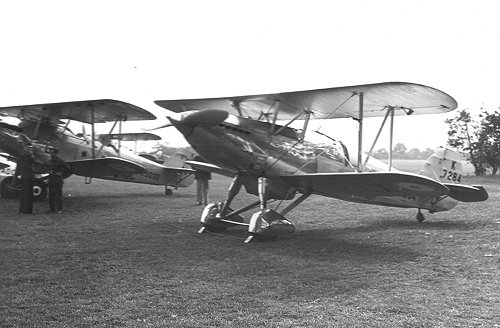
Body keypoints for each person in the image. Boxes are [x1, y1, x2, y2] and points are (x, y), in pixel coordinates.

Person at [47, 147, 70, 213]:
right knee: (51, 195)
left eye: (52, 151)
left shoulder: (59, 160)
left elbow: (68, 168)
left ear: (55, 153)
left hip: (57, 179)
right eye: (50, 151)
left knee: (58, 195)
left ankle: (59, 209)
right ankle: (52, 209)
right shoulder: (50, 160)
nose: (50, 152)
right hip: (51, 178)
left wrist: (61, 173)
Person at [18, 143, 35, 214]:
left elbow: (32, 163)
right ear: (25, 148)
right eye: (28, 148)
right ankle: (22, 210)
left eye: (31, 148)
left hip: (30, 177)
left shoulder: (31, 156)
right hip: (25, 176)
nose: (30, 150)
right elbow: (26, 165)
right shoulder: (23, 156)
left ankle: (29, 210)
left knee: (30, 194)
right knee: (24, 194)